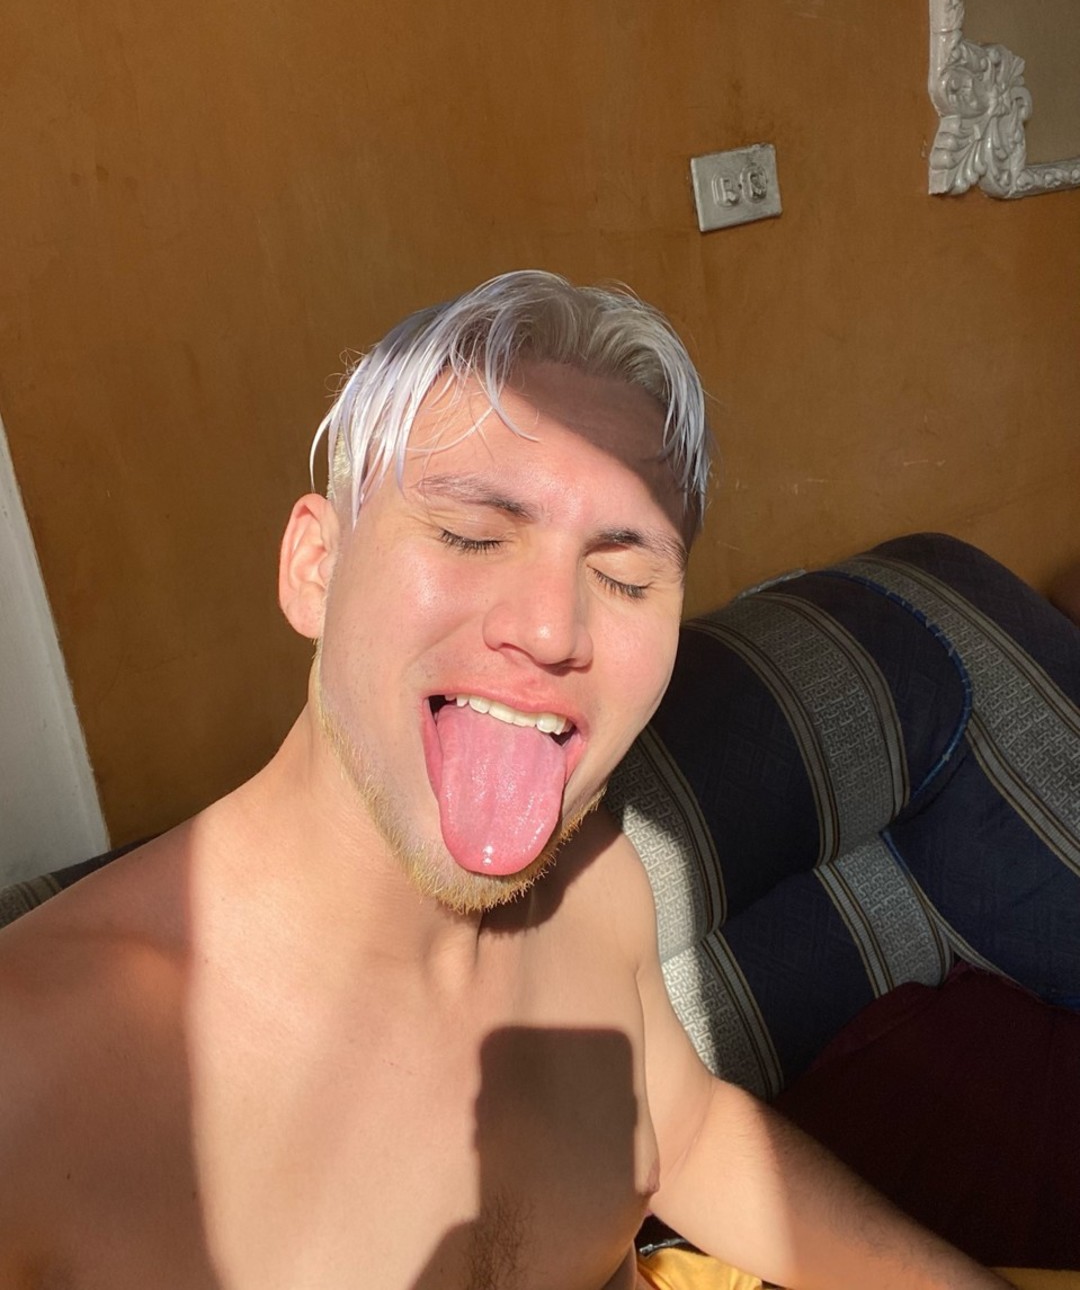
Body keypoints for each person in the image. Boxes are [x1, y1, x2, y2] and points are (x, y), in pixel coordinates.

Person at [0, 271, 1023, 1288]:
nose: (549, 627)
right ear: (316, 567)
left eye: (623, 576)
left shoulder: (596, 880)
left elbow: (686, 1133)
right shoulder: (35, 1067)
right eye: (470, 535)